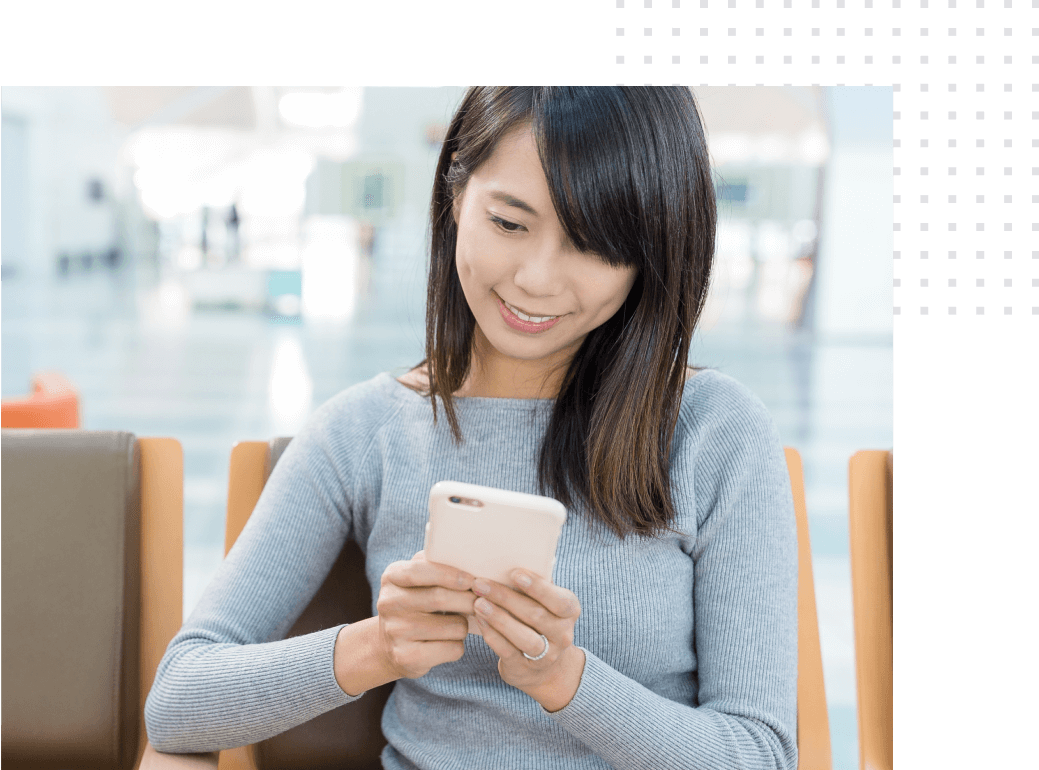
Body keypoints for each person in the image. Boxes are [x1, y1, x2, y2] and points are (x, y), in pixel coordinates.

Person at [145, 87, 799, 770]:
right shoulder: (365, 432)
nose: (536, 279)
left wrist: (566, 683)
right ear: (457, 197)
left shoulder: (713, 433)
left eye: (594, 245)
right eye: (509, 224)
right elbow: (179, 700)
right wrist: (377, 647)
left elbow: (758, 754)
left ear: (651, 254)